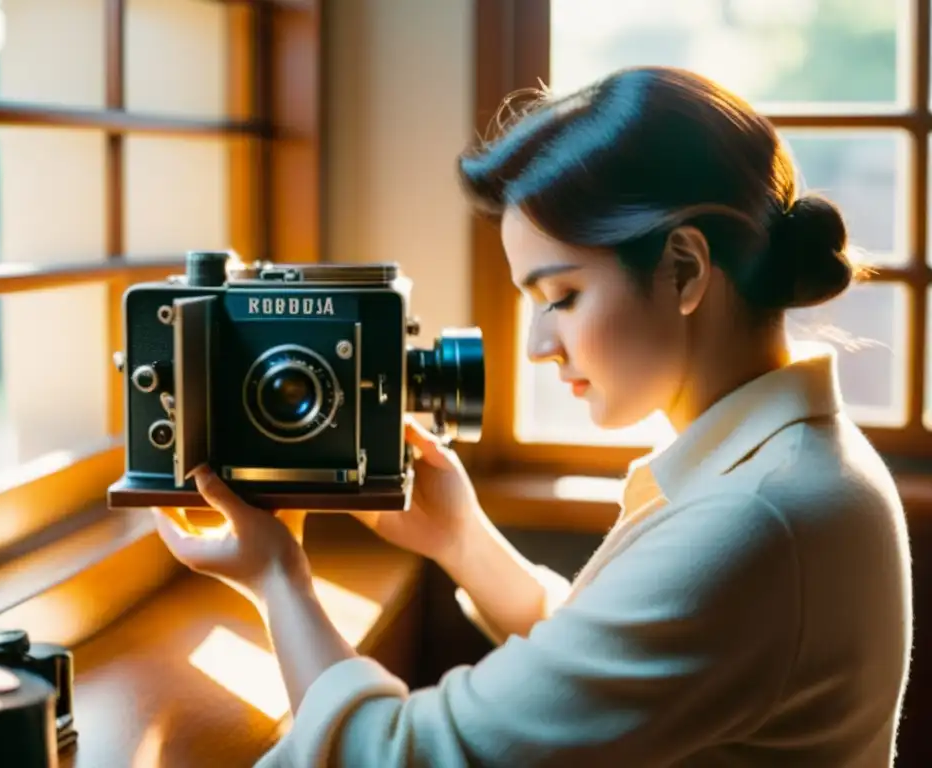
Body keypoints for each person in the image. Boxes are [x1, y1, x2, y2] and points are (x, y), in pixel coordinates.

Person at [152, 66, 913, 766]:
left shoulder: (758, 521)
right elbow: (619, 660)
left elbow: (400, 757)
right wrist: (463, 540)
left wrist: (280, 578)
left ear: (684, 268)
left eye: (562, 298)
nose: (541, 346)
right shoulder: (796, 467)